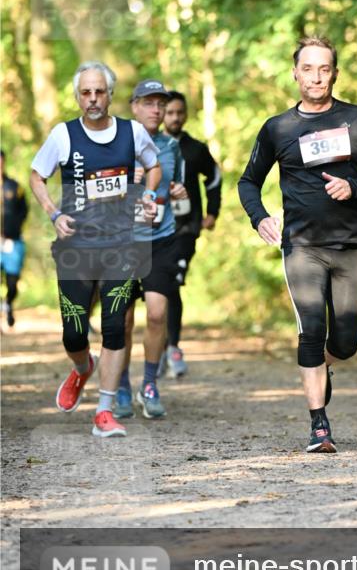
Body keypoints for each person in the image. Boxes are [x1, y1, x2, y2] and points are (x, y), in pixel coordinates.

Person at [238, 36, 357, 454]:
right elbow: (248, 181)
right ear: (295, 73)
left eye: (323, 69)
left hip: (351, 243)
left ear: (335, 74)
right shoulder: (278, 128)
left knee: (344, 344)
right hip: (302, 245)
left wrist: (354, 187)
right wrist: (260, 217)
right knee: (311, 330)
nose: (316, 77)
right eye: (307, 69)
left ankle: (320, 367)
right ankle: (319, 425)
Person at [29, 62, 161, 438]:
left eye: (99, 91)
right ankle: (82, 366)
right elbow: (37, 175)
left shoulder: (133, 132)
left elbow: (153, 167)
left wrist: (149, 196)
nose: (92, 99)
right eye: (86, 92)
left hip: (121, 244)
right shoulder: (63, 134)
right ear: (77, 96)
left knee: (115, 327)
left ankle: (104, 411)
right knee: (74, 333)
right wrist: (54, 213)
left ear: (110, 95)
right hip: (76, 247)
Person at [115, 80, 188, 420]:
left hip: (162, 237)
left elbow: (178, 190)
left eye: (160, 103)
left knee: (158, 314)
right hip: (124, 241)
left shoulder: (171, 146)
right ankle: (120, 385)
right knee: (124, 320)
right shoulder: (117, 143)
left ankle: (149, 384)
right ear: (134, 106)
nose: (156, 110)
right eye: (148, 103)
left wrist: (178, 193)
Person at [159, 90, 222, 377]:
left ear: (185, 115)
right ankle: (159, 349)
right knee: (159, 288)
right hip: (154, 230)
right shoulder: (149, 146)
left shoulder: (196, 149)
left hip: (186, 228)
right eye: (170, 112)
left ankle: (173, 348)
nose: (175, 118)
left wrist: (212, 212)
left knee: (173, 282)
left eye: (179, 113)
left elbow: (214, 177)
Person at [1, 149, 29, 328]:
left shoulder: (14, 187)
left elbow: (24, 210)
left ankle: (8, 303)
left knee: (12, 282)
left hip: (12, 241)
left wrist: (13, 229)